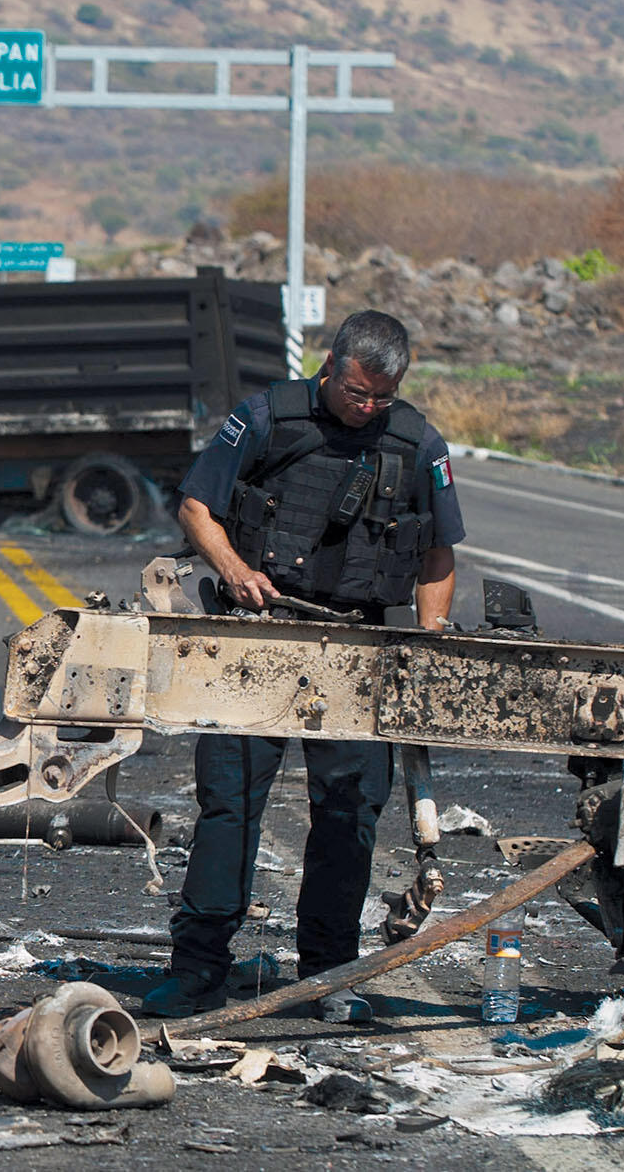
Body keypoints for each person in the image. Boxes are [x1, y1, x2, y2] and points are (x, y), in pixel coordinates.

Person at [142, 308, 464, 1025]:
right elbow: (197, 504)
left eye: (381, 396)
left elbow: (438, 554)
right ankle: (197, 967)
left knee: (349, 813)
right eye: (357, 392)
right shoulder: (265, 417)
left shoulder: (416, 442)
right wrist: (230, 566)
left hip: (355, 647)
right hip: (259, 638)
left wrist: (429, 641)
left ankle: (325, 973)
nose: (368, 407)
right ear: (330, 366)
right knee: (229, 804)